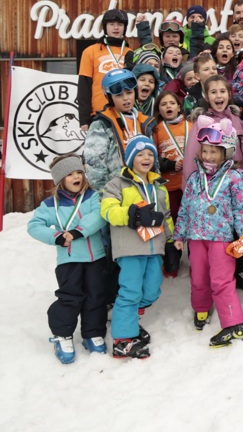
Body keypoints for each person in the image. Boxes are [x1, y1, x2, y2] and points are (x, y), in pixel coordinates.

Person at [174, 119, 243, 347]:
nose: (207, 156)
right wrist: (179, 235)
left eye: (213, 152)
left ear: (225, 152)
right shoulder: (195, 178)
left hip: (221, 239)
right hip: (196, 238)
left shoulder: (234, 178)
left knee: (222, 281)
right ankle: (201, 309)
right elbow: (186, 208)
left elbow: (240, 209)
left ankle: (234, 324)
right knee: (198, 279)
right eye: (205, 151)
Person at [28, 154, 108, 363]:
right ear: (60, 179)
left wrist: (78, 231)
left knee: (96, 296)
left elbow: (98, 215)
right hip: (69, 260)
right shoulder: (50, 204)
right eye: (70, 174)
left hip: (95, 258)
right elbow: (34, 226)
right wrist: (56, 237)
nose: (77, 177)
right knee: (70, 298)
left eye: (79, 173)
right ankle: (62, 335)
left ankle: (92, 333)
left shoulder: (92, 197)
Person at [100, 136, 173, 359]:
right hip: (130, 248)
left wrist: (172, 239)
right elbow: (107, 211)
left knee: (152, 289)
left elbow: (166, 216)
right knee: (130, 292)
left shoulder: (159, 186)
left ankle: (129, 319)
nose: (146, 158)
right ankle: (123, 340)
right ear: (131, 158)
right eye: (140, 154)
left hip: (154, 247)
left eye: (150, 154)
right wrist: (132, 214)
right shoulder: (117, 184)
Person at [83, 69, 155, 192]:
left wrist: (154, 187)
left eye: (129, 92)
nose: (126, 98)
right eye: (119, 95)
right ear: (109, 98)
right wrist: (105, 194)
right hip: (116, 192)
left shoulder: (144, 122)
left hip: (143, 189)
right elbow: (94, 165)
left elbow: (154, 160)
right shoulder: (101, 124)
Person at [152, 89, 191, 277]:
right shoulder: (157, 129)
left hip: (192, 186)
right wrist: (170, 164)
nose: (168, 106)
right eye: (163, 104)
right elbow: (151, 157)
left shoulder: (191, 126)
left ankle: (196, 261)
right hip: (170, 186)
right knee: (173, 225)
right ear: (158, 110)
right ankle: (172, 263)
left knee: (193, 223)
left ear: (179, 106)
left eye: (172, 103)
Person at [78, 9, 133, 129]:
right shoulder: (90, 51)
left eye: (120, 24)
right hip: (98, 114)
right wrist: (84, 119)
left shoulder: (130, 53)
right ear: (105, 27)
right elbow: (84, 86)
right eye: (111, 24)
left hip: (124, 114)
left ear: (125, 27)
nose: (116, 28)